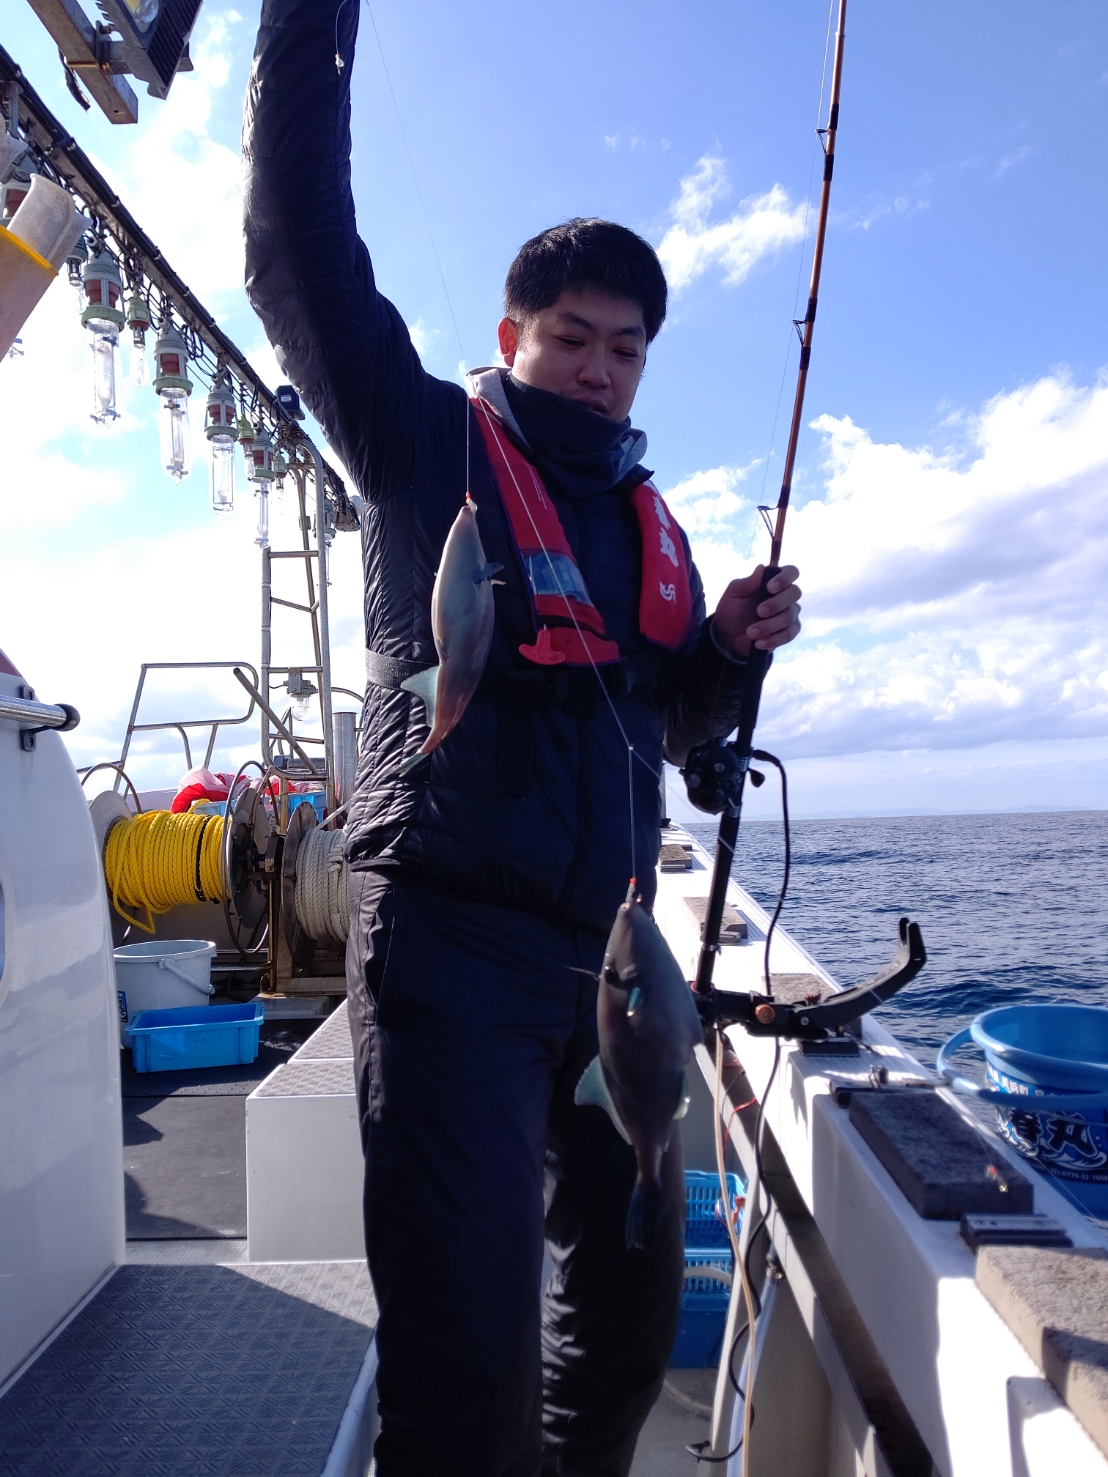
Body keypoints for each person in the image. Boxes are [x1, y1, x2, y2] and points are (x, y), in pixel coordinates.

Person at [244, 4, 802, 1472]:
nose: (600, 368)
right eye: (570, 338)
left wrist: (727, 652)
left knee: (623, 1323)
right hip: (449, 946)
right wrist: (306, 25)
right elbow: (296, 247)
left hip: (608, 962)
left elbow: (674, 731)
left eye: (626, 348)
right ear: (512, 338)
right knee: (467, 1347)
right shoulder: (419, 438)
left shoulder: (648, 526)